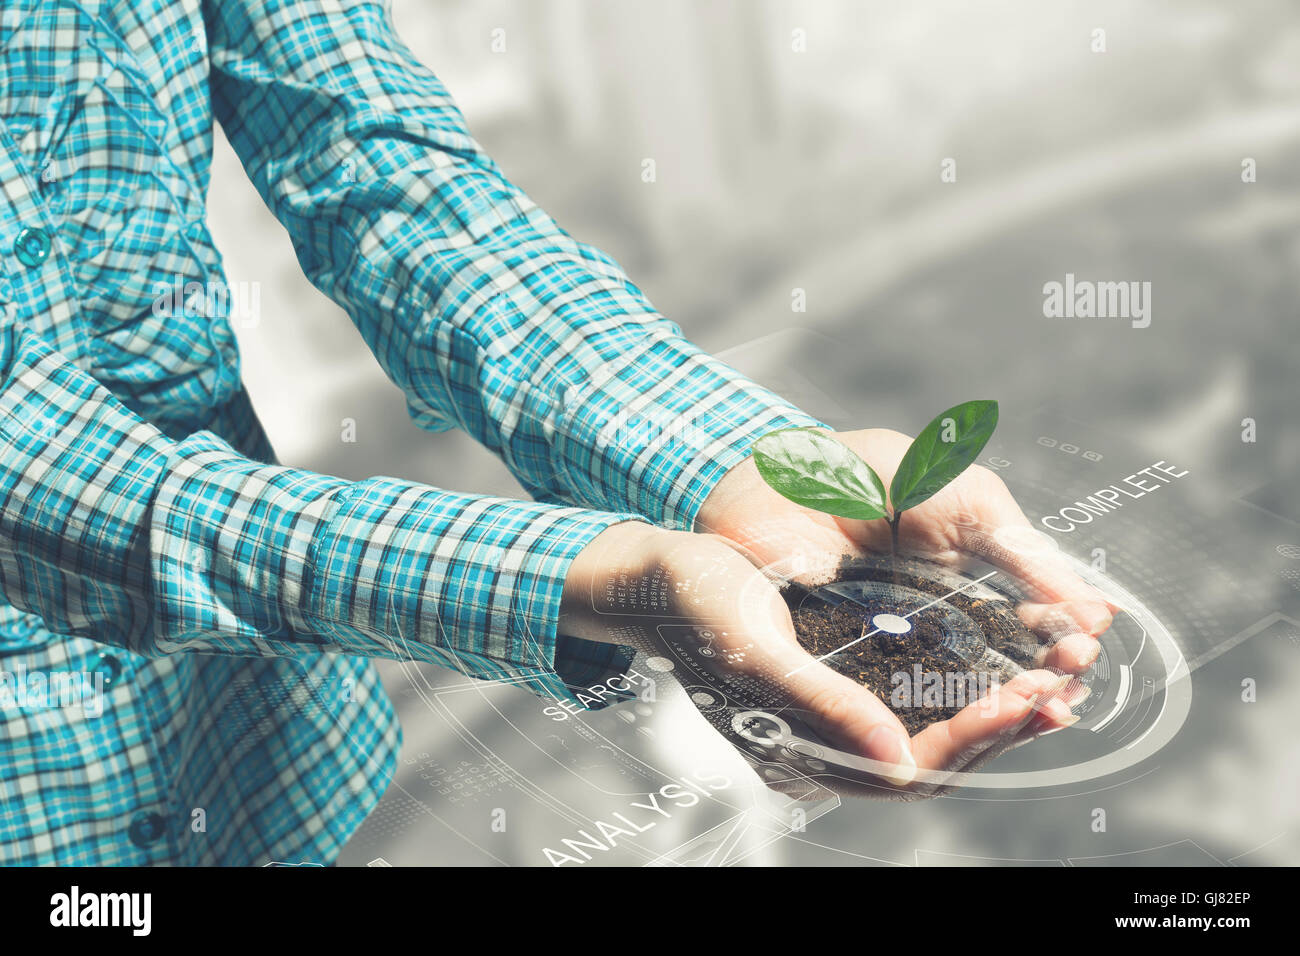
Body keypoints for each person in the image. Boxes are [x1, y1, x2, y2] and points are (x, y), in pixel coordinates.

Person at [0, 0, 1111, 865]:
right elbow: (30, 465)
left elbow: (379, 164)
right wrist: (583, 577)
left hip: (252, 734)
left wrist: (732, 461)